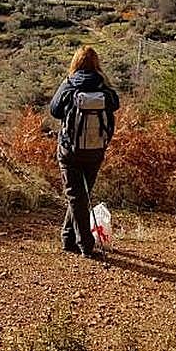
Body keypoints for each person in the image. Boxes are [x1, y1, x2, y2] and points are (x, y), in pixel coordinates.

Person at [49, 45, 120, 258]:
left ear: (75, 63)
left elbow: (54, 110)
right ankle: (67, 238)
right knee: (81, 194)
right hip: (96, 148)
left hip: (69, 149)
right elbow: (115, 105)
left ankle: (85, 245)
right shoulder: (103, 85)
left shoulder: (70, 84)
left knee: (76, 195)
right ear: (96, 63)